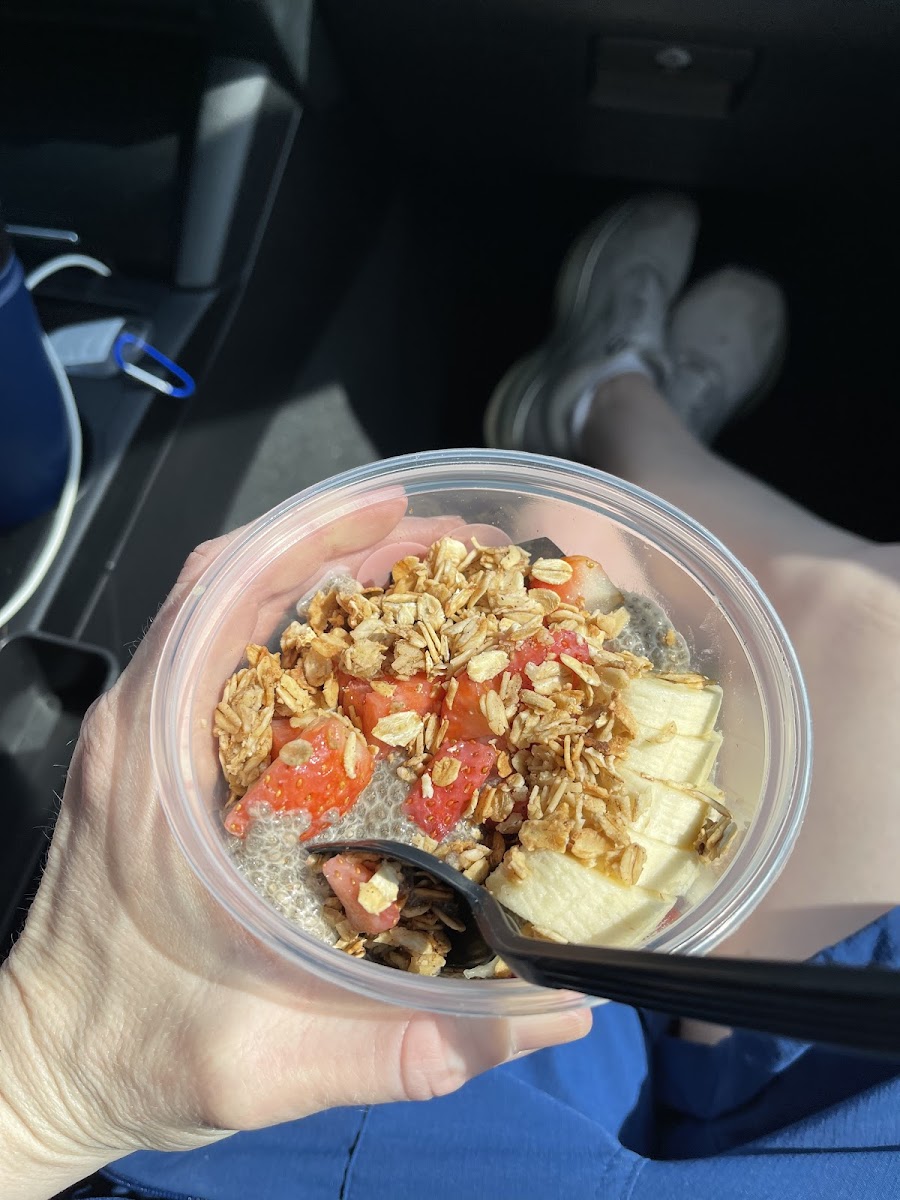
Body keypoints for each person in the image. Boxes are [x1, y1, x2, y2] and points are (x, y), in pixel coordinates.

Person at [1, 195, 898, 1200]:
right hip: (800, 1082)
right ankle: (620, 406)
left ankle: (609, 405)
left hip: (487, 1148)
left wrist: (50, 1080)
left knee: (572, 522)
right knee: (872, 622)